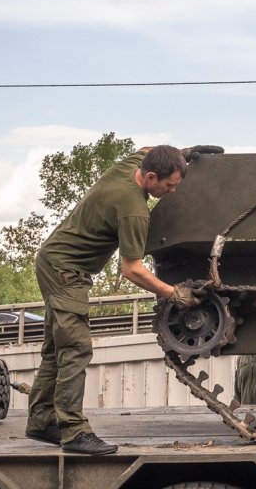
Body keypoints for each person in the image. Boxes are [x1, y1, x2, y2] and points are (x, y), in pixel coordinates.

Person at [26, 144, 210, 455]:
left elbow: (146, 149)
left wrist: (182, 153)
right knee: (75, 348)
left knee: (56, 348)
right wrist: (173, 293)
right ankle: (72, 431)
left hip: (54, 261)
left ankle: (43, 421)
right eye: (169, 185)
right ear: (151, 177)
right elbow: (132, 269)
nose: (174, 190)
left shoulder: (130, 166)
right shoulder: (134, 210)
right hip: (65, 272)